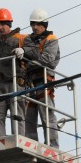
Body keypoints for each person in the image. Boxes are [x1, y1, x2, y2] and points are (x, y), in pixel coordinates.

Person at [22, 8, 60, 148]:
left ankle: (52, 145)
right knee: (29, 117)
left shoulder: (51, 39)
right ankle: (31, 145)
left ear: (45, 25)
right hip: (30, 83)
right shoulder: (29, 40)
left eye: (38, 24)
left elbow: (48, 60)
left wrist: (30, 61)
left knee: (47, 116)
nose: (34, 27)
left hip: (44, 81)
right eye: (33, 24)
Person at [0, 8, 26, 138]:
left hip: (14, 82)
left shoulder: (20, 38)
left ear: (9, 24)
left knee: (17, 114)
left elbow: (35, 51)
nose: (0, 27)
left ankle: (18, 138)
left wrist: (24, 50)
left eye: (2, 24)